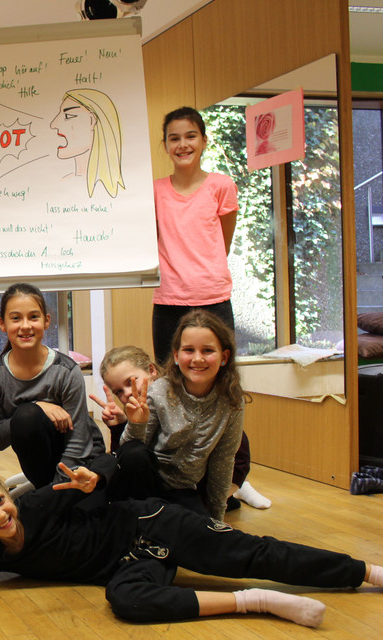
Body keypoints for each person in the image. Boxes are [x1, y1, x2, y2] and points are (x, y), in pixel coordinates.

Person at [0, 462, 383, 629]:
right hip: (132, 565)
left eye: (1, 501)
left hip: (153, 524)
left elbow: (101, 470)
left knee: (254, 552)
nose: (1, 515)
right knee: (124, 601)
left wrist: (94, 477)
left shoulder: (38, 504)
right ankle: (256, 601)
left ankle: (375, 574)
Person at [95, 345, 272, 510]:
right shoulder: (135, 410)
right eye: (118, 391)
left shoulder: (183, 400)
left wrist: (215, 505)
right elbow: (127, 464)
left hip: (197, 482)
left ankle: (235, 490)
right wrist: (119, 426)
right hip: (164, 485)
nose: (126, 393)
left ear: (151, 370)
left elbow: (231, 458)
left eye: (130, 382)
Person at [111, 311, 246, 521]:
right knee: (135, 454)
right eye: (189, 350)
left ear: (224, 357)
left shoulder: (232, 401)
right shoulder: (159, 391)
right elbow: (129, 455)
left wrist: (216, 520)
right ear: (176, 356)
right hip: (145, 486)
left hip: (182, 491)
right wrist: (136, 424)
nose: (198, 358)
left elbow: (223, 462)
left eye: (208, 350)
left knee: (199, 532)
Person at [0, 283, 105, 490]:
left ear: (47, 320)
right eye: (16, 318)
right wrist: (38, 407)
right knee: (26, 416)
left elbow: (79, 442)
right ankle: (44, 494)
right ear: (2, 323)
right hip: (40, 468)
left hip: (82, 462)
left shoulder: (66, 370)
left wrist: (56, 489)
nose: (25, 326)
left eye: (33, 317)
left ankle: (44, 496)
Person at [151, 106, 237, 364]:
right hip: (169, 299)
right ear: (165, 145)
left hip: (214, 299)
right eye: (174, 138)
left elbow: (224, 243)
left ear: (204, 140)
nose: (183, 145)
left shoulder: (222, 186)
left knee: (220, 375)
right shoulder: (154, 191)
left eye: (191, 136)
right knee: (168, 376)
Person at [49, 88, 125, 198]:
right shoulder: (63, 183)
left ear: (91, 120)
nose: (53, 124)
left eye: (68, 116)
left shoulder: (102, 189)